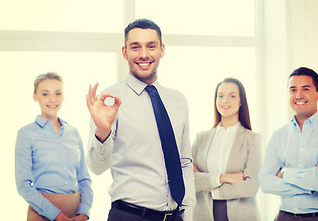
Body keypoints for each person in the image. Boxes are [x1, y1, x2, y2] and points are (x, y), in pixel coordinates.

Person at [86, 19, 195, 221]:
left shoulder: (178, 101)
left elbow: (184, 162)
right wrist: (103, 131)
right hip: (130, 216)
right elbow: (96, 167)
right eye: (135, 47)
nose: (144, 54)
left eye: (151, 46)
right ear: (125, 52)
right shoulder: (110, 100)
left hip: (175, 216)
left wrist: (187, 212)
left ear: (161, 50)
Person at [259, 67, 318, 221]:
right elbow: (265, 182)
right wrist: (311, 185)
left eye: (305, 89)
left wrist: (285, 173)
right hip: (284, 217)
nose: (298, 95)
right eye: (293, 90)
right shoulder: (278, 135)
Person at [15, 72, 93, 221]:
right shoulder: (26, 134)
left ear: (63, 96)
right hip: (42, 214)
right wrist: (56, 215)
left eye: (58, 93)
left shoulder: (73, 133)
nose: (52, 99)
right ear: (34, 96)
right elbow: (23, 185)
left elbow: (84, 179)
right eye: (45, 94)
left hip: (77, 215)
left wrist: (84, 213)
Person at [192, 78, 261, 221]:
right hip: (204, 214)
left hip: (241, 215)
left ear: (241, 101)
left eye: (232, 96)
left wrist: (210, 187)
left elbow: (251, 186)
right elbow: (188, 178)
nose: (225, 101)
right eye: (221, 96)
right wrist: (223, 178)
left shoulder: (252, 139)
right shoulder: (201, 138)